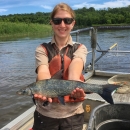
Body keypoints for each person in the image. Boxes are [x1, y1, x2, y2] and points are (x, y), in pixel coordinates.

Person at [32, 3, 88, 130]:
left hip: (73, 115)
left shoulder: (80, 48)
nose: (62, 25)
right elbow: (43, 72)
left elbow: (76, 64)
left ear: (73, 23)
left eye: (67, 21)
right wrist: (44, 89)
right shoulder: (42, 49)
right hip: (46, 114)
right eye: (57, 21)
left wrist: (74, 84)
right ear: (51, 23)